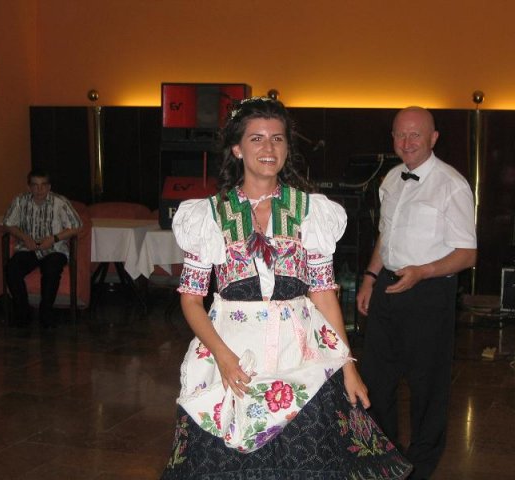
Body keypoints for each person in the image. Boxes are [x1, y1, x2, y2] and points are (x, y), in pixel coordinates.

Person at [160, 97, 411, 479]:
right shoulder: (209, 215)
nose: (268, 148)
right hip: (232, 355)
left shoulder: (310, 211)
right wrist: (223, 357)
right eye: (256, 138)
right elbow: (192, 300)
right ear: (237, 148)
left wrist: (347, 366)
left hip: (301, 357)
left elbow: (323, 293)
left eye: (277, 139)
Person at [356, 107, 477, 479]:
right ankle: (385, 457)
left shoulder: (452, 185)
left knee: (427, 385)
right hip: (388, 285)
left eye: (416, 135)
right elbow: (387, 235)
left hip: (429, 292)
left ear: (433, 138)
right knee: (375, 379)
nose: (407, 142)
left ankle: (421, 465)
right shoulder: (391, 178)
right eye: (400, 134)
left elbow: (467, 254)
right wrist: (370, 276)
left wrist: (422, 272)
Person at [3, 168, 82, 328]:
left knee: (51, 268)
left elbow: (77, 225)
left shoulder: (60, 202)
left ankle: (46, 311)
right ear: (29, 187)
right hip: (29, 248)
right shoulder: (20, 201)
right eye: (35, 185)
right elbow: (8, 223)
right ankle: (23, 311)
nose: (39, 189)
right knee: (12, 268)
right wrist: (24, 237)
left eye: (43, 185)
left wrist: (53, 239)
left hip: (54, 248)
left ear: (49, 186)